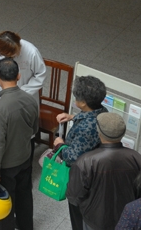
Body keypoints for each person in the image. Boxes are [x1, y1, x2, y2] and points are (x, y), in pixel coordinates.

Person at [0, 58, 39, 230]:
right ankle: (26, 225)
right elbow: (34, 129)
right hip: (25, 156)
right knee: (25, 195)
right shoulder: (30, 100)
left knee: (4, 202)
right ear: (18, 76)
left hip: (7, 166)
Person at [67, 113, 141, 230]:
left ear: (99, 132)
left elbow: (74, 196)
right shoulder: (136, 157)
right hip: (126, 218)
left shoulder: (85, 162)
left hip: (94, 220)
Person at [55, 76, 108, 230]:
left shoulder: (86, 128)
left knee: (78, 217)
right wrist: (72, 117)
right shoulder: (103, 111)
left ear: (83, 103)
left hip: (82, 180)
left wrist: (60, 145)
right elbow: (90, 117)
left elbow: (73, 158)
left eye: (76, 97)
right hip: (97, 172)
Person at [0, 31, 47, 102]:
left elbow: (40, 75)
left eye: (12, 55)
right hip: (2, 93)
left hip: (25, 95)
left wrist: (21, 92)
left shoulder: (32, 52)